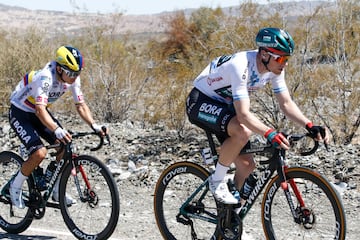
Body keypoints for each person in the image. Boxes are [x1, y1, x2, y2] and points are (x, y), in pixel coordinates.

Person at [186, 27, 329, 205]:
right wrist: (270, 133)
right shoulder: (240, 65)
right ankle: (217, 181)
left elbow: (285, 103)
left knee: (247, 166)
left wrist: (309, 125)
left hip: (225, 107)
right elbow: (244, 115)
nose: (284, 63)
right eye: (280, 58)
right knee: (242, 130)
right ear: (263, 54)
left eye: (287, 58)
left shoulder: (274, 69)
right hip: (200, 101)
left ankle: (230, 223)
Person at [9, 45, 106, 209]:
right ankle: (15, 187)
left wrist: (95, 126)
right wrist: (57, 129)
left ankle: (55, 189)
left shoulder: (72, 78)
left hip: (39, 112)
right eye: (71, 73)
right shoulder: (45, 77)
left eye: (78, 73)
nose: (74, 77)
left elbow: (80, 105)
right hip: (21, 111)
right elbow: (40, 110)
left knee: (65, 145)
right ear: (60, 69)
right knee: (40, 153)